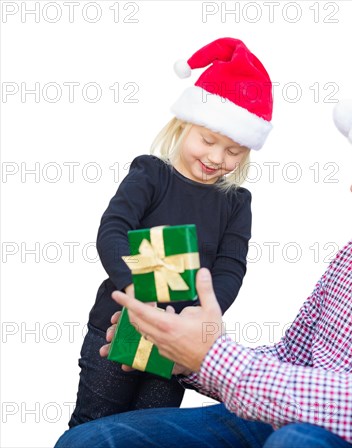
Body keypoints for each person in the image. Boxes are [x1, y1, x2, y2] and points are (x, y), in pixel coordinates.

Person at [57, 58, 352, 447]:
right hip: (280, 425)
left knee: (299, 440)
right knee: (94, 440)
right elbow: (292, 360)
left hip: (343, 439)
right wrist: (180, 351)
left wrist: (210, 359)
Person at [67, 37, 274, 428]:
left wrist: (202, 315)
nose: (216, 158)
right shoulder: (151, 174)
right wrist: (135, 290)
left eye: (234, 151)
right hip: (120, 324)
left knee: (152, 430)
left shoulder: (236, 203)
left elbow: (231, 269)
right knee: (94, 425)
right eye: (208, 140)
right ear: (182, 125)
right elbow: (113, 229)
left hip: (178, 340)